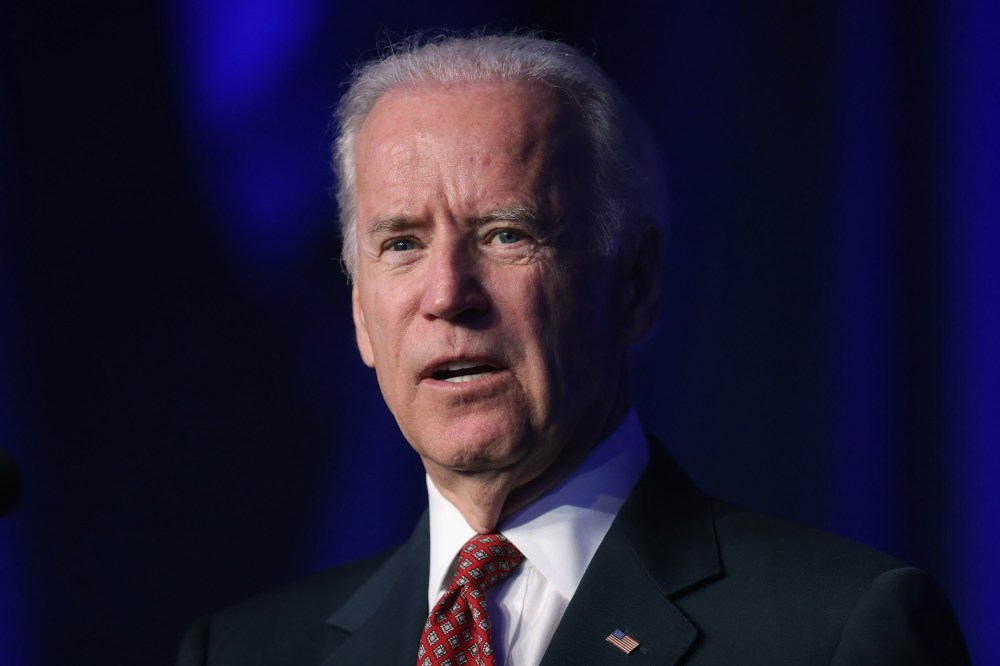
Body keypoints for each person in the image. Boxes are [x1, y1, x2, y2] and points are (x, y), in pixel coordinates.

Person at [177, 34, 970, 665]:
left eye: (507, 234)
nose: (448, 293)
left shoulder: (837, 634)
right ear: (359, 314)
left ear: (634, 286)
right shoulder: (245, 652)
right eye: (402, 244)